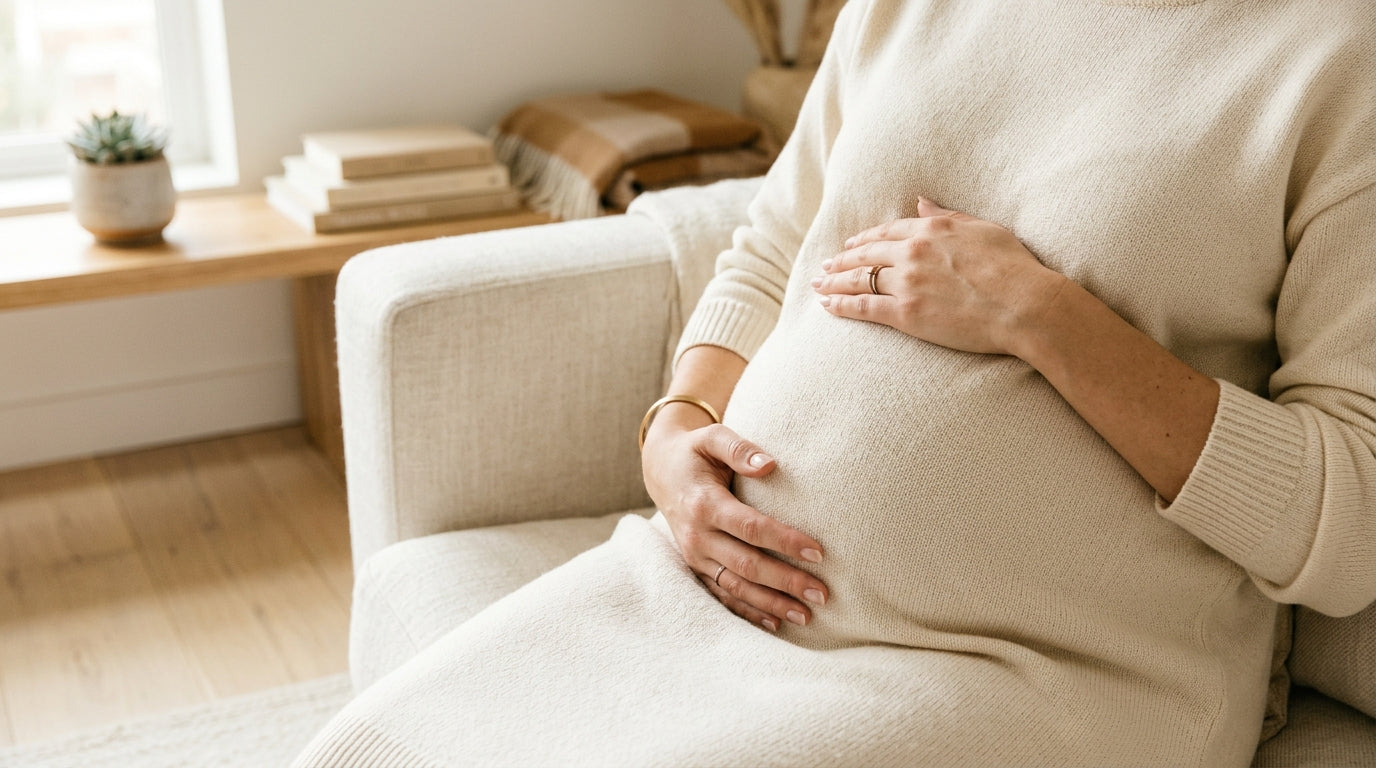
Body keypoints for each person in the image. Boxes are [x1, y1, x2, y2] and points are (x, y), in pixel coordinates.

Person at [296, 1, 1376, 765]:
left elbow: (1349, 516)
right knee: (368, 751)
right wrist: (673, 431)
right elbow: (774, 241)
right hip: (710, 591)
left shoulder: (1338, 57)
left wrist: (1039, 315)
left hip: (1035, 668)